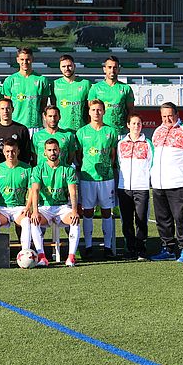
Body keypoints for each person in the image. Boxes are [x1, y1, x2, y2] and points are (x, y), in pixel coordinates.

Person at [150, 102, 183, 263]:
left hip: (180, 182)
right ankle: (168, 248)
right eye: (164, 116)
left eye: (170, 115)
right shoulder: (157, 131)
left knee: (182, 218)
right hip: (159, 183)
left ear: (177, 114)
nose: (167, 119)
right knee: (163, 219)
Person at [75, 99, 117, 259]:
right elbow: (79, 156)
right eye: (93, 110)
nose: (96, 113)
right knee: (87, 212)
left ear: (104, 112)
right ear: (89, 112)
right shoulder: (81, 132)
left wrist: (107, 168)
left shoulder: (110, 132)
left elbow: (113, 155)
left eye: (99, 110)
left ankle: (107, 247)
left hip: (106, 179)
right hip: (87, 177)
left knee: (107, 212)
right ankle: (89, 246)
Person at [30, 139, 81, 267]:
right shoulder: (38, 169)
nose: (52, 152)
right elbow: (35, 191)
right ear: (44, 153)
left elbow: (73, 192)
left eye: (55, 150)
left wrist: (74, 211)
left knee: (74, 220)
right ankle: (42, 257)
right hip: (45, 207)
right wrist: (35, 211)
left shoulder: (68, 169)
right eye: (49, 150)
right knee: (33, 220)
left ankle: (71, 257)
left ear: (59, 151)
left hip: (62, 207)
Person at [116, 113, 153, 261]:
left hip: (141, 187)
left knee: (141, 218)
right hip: (124, 187)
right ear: (128, 125)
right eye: (133, 123)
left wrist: (146, 180)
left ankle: (141, 249)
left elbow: (151, 164)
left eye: (139, 123)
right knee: (126, 219)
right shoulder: (121, 144)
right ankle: (130, 248)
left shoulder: (147, 143)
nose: (136, 126)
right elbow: (119, 163)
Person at [0, 138, 34, 251]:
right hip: (3, 209)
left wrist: (28, 207)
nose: (11, 154)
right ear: (4, 152)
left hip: (19, 208)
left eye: (13, 151)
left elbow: (31, 191)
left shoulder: (27, 168)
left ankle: (26, 252)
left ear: (18, 151)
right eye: (8, 151)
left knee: (26, 221)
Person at [1, 47, 51, 135]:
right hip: (16, 125)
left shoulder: (42, 80)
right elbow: (7, 105)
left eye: (27, 59)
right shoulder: (10, 80)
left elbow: (43, 105)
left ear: (32, 59)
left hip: (36, 126)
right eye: (22, 59)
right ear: (17, 60)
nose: (25, 62)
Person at [87, 56, 134, 137]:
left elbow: (130, 111)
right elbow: (90, 111)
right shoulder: (95, 88)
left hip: (120, 132)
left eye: (115, 67)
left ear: (119, 69)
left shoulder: (126, 88)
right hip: (101, 132)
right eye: (109, 67)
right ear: (104, 69)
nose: (112, 70)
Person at [0, 98, 31, 166]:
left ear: (12, 109)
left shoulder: (22, 129)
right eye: (2, 109)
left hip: (17, 169)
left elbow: (26, 153)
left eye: (8, 108)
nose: (5, 111)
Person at [51, 54, 91, 133]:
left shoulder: (85, 84)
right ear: (60, 68)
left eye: (69, 66)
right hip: (62, 130)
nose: (67, 69)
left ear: (74, 66)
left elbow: (90, 107)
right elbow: (53, 107)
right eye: (63, 66)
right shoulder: (55, 84)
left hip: (81, 129)